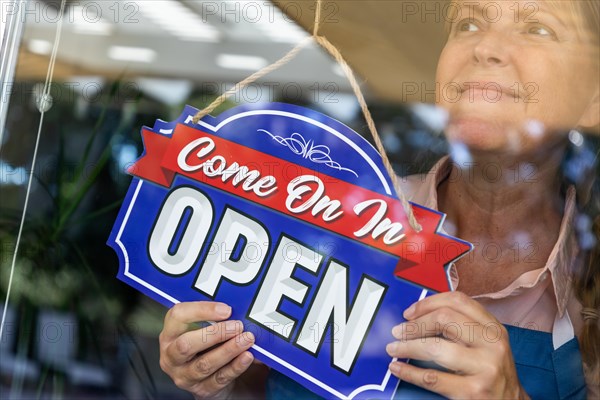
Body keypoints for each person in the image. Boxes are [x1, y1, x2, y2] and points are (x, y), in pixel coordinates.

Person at [158, 0, 600, 398]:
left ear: (593, 98)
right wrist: (213, 369)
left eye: (538, 29)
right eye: (467, 23)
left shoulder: (590, 281)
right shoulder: (328, 213)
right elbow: (256, 378)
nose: (486, 48)